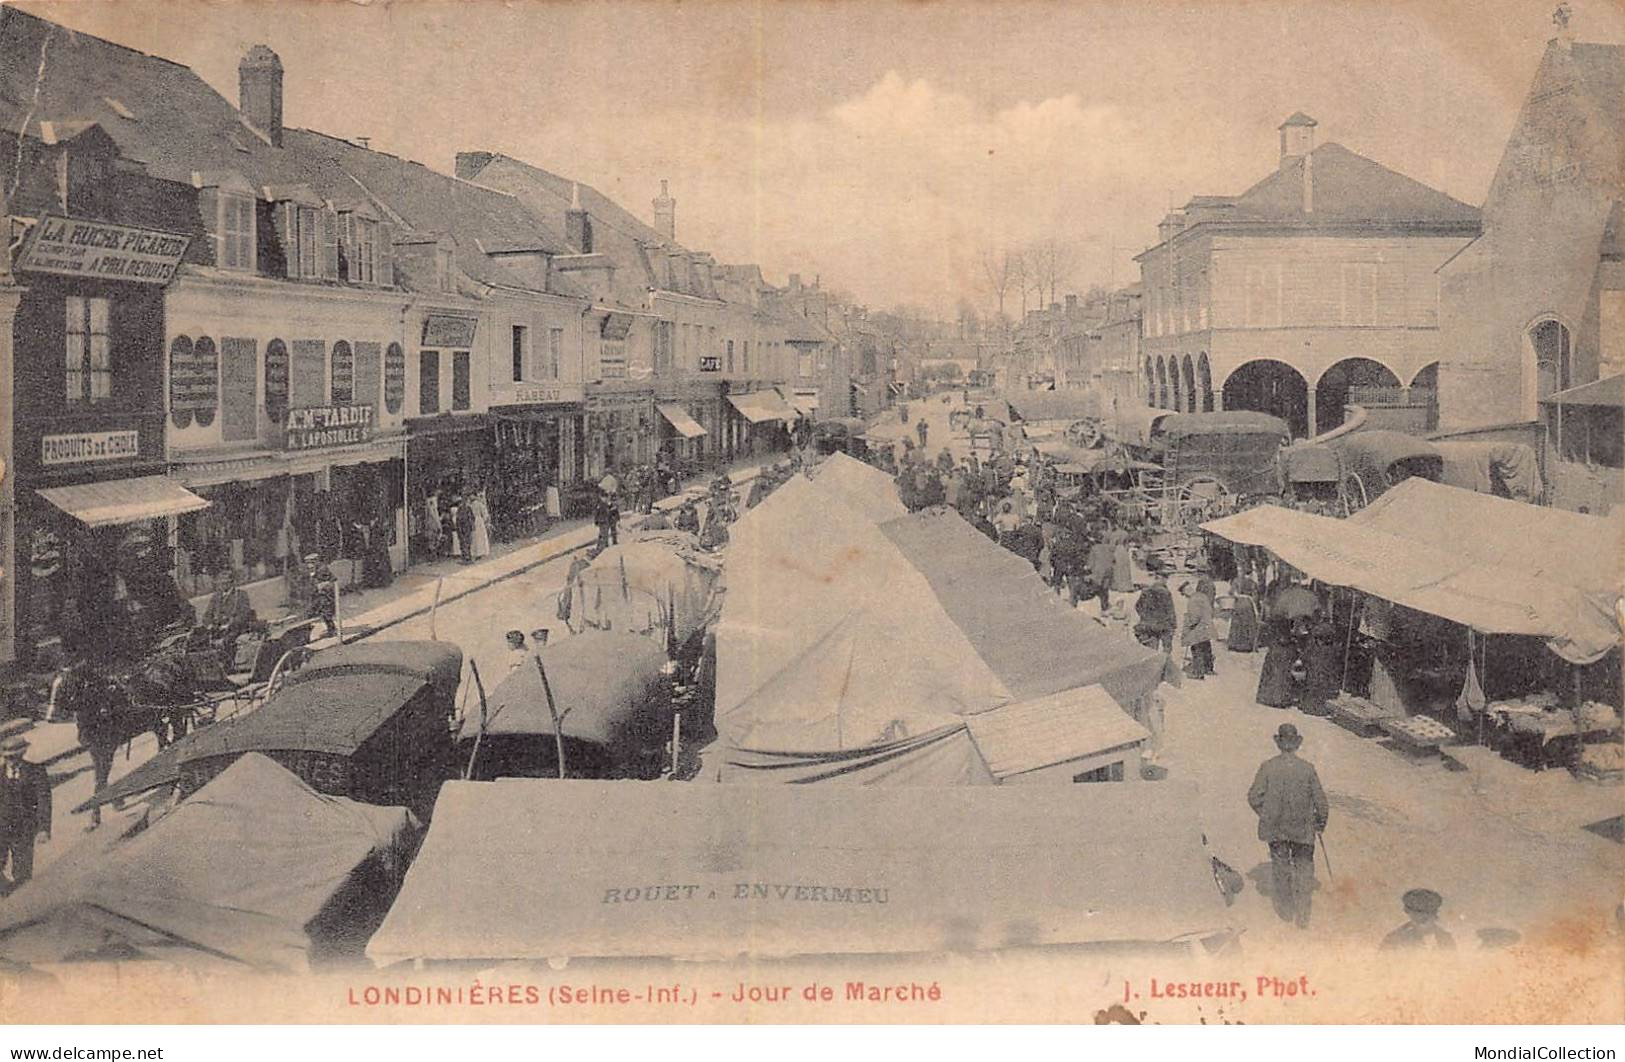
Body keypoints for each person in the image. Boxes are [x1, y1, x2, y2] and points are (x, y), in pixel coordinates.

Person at [1247, 723, 1329, 929]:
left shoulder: (1268, 766)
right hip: (1303, 829)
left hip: (1277, 829)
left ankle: (1285, 911)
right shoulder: (1308, 769)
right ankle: (1303, 915)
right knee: (1304, 870)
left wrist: (1266, 814)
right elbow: (1321, 803)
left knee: (1281, 868)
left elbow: (1254, 796)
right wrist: (1320, 822)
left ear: (1279, 743)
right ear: (1297, 744)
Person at [0, 733, 51, 893]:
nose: (12, 761)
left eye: (15, 757)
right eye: (8, 758)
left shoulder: (36, 772)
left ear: (22, 755)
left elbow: (44, 802)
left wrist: (43, 828)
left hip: (24, 829)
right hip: (1, 828)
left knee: (23, 872)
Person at [199, 569, 256, 656]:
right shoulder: (216, 597)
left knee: (227, 642)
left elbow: (244, 614)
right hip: (217, 630)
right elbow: (207, 615)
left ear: (232, 583)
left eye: (225, 583)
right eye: (221, 583)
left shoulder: (241, 595)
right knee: (200, 643)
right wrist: (210, 625)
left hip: (235, 629)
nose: (222, 586)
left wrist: (230, 624)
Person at [1381, 889, 1456, 951]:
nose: (1422, 917)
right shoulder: (1394, 939)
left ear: (1434, 914)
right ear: (1408, 912)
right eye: (1417, 913)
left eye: (1427, 913)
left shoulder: (1445, 939)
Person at [1182, 575, 1217, 679]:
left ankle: (1198, 672)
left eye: (1184, 593)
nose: (1184, 596)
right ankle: (1208, 668)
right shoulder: (1202, 596)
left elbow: (1194, 617)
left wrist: (1188, 624)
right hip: (1207, 626)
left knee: (1196, 648)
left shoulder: (1193, 600)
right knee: (1206, 647)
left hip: (1198, 628)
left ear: (1187, 590)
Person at [1134, 573, 1177, 652]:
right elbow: (1170, 610)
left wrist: (1145, 617)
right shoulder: (1165, 592)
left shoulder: (1146, 591)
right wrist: (1173, 625)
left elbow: (1138, 607)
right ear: (1163, 579)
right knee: (1167, 649)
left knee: (1150, 650)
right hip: (1163, 625)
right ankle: (1164, 662)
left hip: (1148, 625)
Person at [469, 491, 492, 561]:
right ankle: (477, 552)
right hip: (475, 520)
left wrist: (484, 520)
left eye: (471, 495)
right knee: (475, 537)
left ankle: (480, 552)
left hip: (478, 520)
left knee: (479, 536)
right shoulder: (470, 504)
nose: (470, 497)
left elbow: (484, 513)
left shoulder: (478, 504)